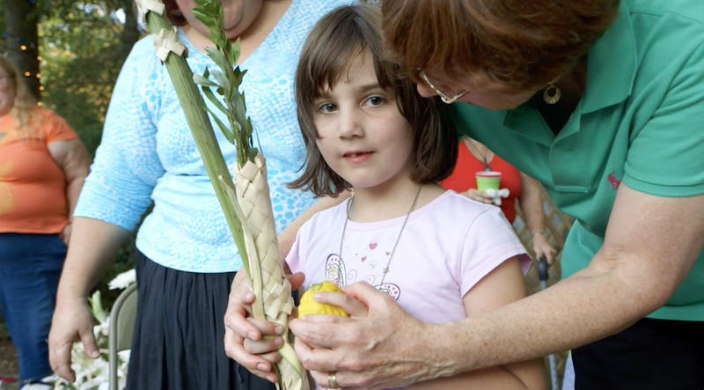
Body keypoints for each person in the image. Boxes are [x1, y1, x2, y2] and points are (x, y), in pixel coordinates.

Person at [228, 0, 704, 389]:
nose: (420, 90)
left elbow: (632, 271)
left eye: (441, 78)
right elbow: (375, 172)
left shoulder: (685, 48)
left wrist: (419, 354)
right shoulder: (444, 63)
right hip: (601, 308)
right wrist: (266, 264)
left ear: (524, 58)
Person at [232, 5, 545, 389]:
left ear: (419, 103)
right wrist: (271, 347)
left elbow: (528, 384)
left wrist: (395, 366)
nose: (348, 127)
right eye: (327, 107)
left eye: (374, 99)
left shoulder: (473, 231)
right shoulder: (310, 237)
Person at [46, 0, 351, 389]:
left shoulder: (331, 20)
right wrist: (70, 294)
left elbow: (385, 159)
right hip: (175, 295)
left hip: (302, 279)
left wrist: (277, 248)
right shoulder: (152, 54)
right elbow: (115, 181)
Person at [0, 55, 90, 388]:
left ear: (12, 82)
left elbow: (80, 173)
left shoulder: (44, 122)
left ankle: (43, 382)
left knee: (36, 326)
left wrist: (76, 222)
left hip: (35, 242)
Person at [442, 136, 556, 263]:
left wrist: (537, 235)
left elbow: (529, 191)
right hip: (457, 249)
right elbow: (428, 199)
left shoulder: (509, 145)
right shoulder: (446, 147)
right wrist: (463, 198)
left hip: (503, 245)